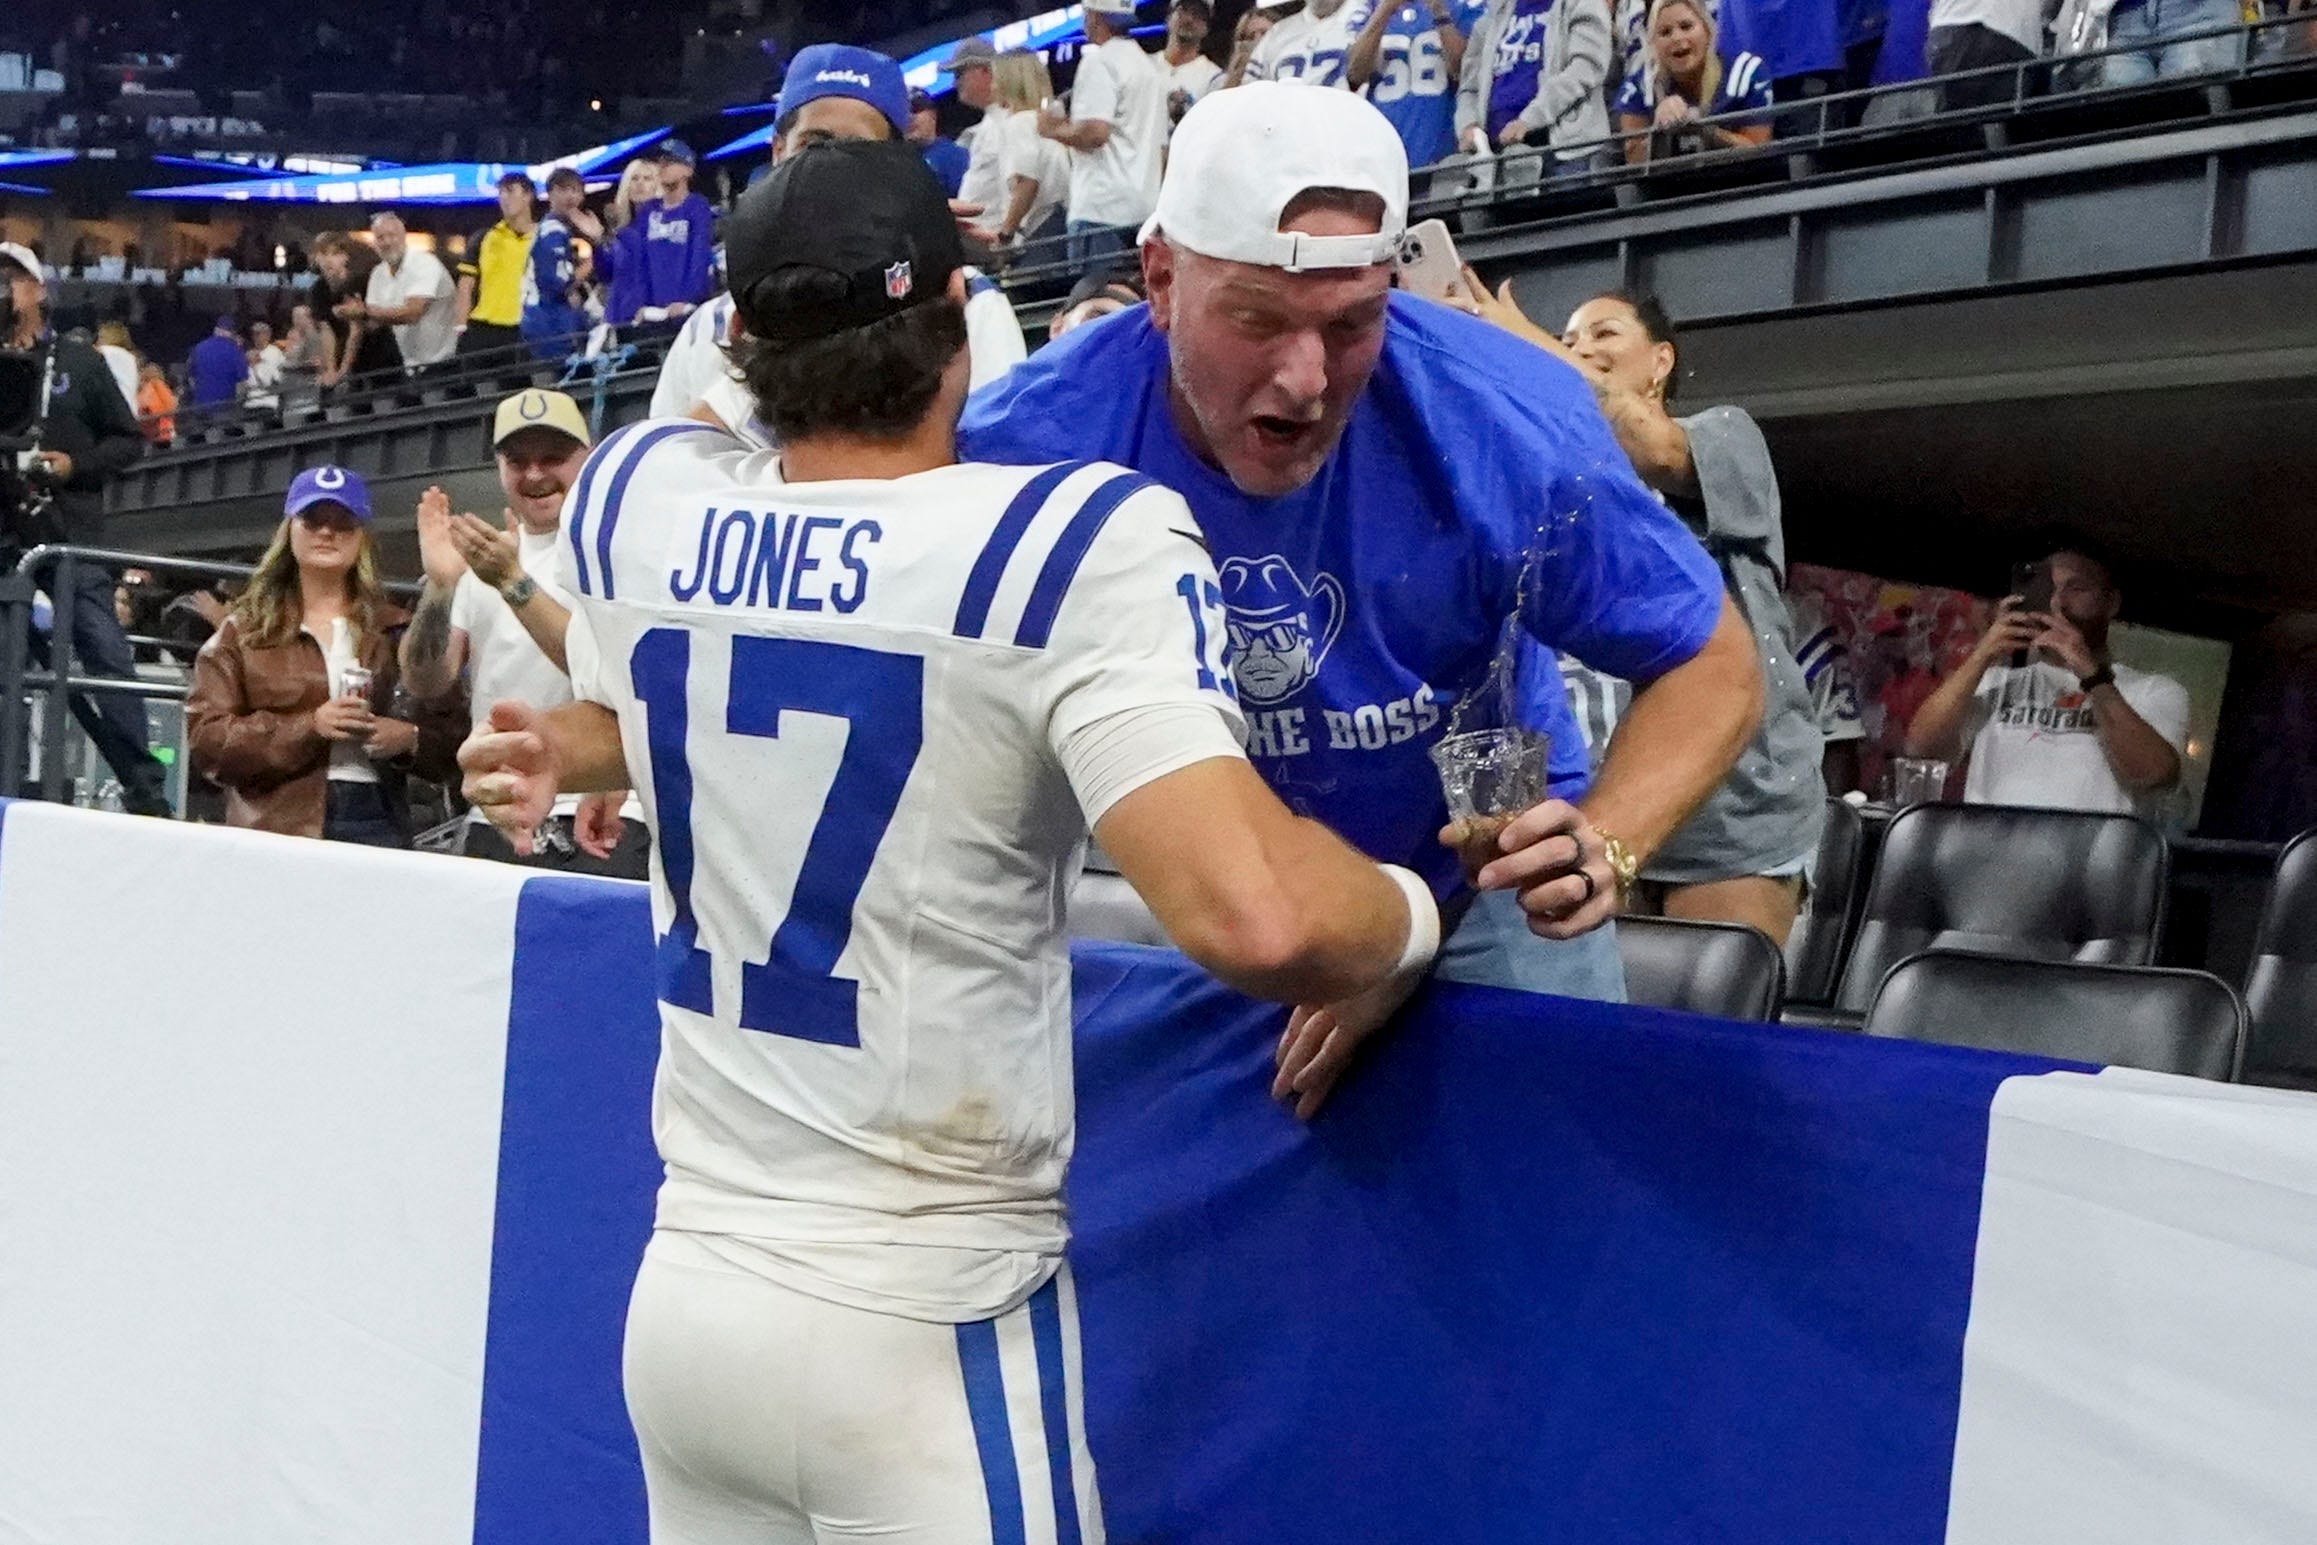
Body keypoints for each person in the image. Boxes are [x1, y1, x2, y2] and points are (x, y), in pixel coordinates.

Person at [458, 137, 1442, 1542]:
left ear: (734, 341)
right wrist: (1412, 914)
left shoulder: (636, 497)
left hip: (687, 1299)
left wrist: (580, 741)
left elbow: (736, 679)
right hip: (924, 1310)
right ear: (964, 320)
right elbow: (1258, 920)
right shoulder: (1067, 541)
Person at [962, 87, 1763, 1000]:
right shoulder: (1022, 448)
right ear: (1159, 279)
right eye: (1257, 318)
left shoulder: (1507, 422)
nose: (1305, 380)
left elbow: (1713, 658)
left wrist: (1604, 843)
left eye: (1351, 323)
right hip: (1214, 873)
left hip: (1480, 883)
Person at [1531, 291, 1823, 945]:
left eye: (1602, 332)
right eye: (1566, 336)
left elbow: (1658, 450)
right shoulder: (1561, 478)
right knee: (1608, 1036)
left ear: (1660, 360)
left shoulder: (1724, 437)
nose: (1578, 347)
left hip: (1734, 812)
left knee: (1714, 1032)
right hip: (1600, 804)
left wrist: (1521, 339)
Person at [650, 44, 1028, 433]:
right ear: (778, 152)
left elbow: (997, 460)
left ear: (896, 162)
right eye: (815, 144)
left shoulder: (966, 303)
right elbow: (663, 476)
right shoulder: (706, 330)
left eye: (858, 147)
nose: (833, 163)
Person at [400, 389, 646, 877]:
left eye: (553, 457)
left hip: (605, 814)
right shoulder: (482, 558)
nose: (535, 474)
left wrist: (512, 582)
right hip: (499, 810)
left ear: (588, 458)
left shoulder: (626, 547)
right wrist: (442, 590)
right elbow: (426, 683)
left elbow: (614, 676)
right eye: (518, 460)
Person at [0, 241, 173, 817]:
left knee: (106, 655)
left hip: (68, 530)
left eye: (14, 279)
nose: (5, 289)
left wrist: (76, 467)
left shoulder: (77, 362)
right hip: (4, 537)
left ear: (39, 290)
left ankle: (144, 787)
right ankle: (8, 784)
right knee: (10, 666)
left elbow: (128, 439)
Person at [185, 466, 434, 846]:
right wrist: (310, 726)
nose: (327, 532)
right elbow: (207, 740)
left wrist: (410, 738)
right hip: (276, 819)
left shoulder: (395, 628)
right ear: (291, 530)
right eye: (312, 520)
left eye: (344, 522)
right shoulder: (243, 632)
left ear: (362, 537)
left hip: (377, 813)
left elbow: (449, 728)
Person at [1903, 541, 2189, 815]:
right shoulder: (1997, 682)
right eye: (2048, 588)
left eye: (2076, 588)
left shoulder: (2152, 690)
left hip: (2091, 865)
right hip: (1988, 860)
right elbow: (1920, 748)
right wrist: (1983, 655)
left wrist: (2089, 672)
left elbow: (2155, 775)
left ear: (2111, 603)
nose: (2058, 602)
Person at [1039, 0, 1168, 272]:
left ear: (1094, 17)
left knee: (1097, 305)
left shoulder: (1099, 60)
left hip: (1102, 209)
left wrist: (1051, 129)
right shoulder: (1148, 67)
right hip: (1144, 206)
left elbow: (1094, 133)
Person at [1456, 0, 1615, 172]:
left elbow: (1586, 68)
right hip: (1494, 156)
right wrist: (1468, 124)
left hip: (1566, 154)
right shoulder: (1491, 17)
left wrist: (1529, 120)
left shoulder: (1582, 4)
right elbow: (1469, 87)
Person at [1612, 0, 1773, 163]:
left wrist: (1705, 130)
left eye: (1686, 27)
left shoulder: (1747, 73)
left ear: (1708, 30)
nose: (1676, 38)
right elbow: (1634, 164)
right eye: (1665, 32)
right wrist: (1658, 131)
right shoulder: (1639, 87)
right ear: (1653, 44)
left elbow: (1758, 151)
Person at [1347, 0, 1487, 170]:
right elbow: (1355, 74)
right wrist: (1384, 11)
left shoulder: (1464, 5)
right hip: (1384, 149)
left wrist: (1440, 14)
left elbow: (1465, 71)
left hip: (1440, 146)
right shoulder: (1368, 8)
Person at [350, 212, 459, 373]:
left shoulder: (425, 263)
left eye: (392, 235)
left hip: (443, 363)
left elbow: (413, 313)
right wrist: (352, 314)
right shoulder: (378, 273)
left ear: (403, 237)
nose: (387, 242)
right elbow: (374, 322)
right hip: (408, 365)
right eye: (380, 237)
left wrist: (365, 312)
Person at [991, 49, 1074, 249]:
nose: (992, 87)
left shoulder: (1018, 124)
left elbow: (1027, 183)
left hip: (1045, 230)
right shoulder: (1054, 123)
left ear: (1008, 83)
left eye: (995, 79)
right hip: (1066, 223)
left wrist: (1005, 235)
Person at [457, 171, 538, 357]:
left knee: (522, 385)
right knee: (477, 384)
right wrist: (461, 326)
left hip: (524, 327)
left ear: (528, 196)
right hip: (482, 327)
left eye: (510, 191)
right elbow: (465, 285)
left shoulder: (543, 237)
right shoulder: (484, 238)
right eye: (501, 192)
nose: (504, 198)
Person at [636, 139, 716, 323]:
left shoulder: (696, 206)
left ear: (688, 170)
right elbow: (640, 262)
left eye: (670, 162)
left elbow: (699, 256)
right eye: (660, 162)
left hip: (688, 309)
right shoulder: (648, 210)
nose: (662, 166)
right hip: (653, 312)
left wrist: (688, 300)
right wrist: (640, 302)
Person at [309, 232, 402, 388]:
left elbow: (356, 331)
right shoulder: (317, 290)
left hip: (380, 353)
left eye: (336, 254)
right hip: (352, 360)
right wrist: (331, 370)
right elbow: (327, 331)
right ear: (316, 258)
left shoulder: (359, 282)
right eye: (323, 254)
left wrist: (343, 371)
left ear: (345, 257)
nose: (328, 260)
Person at [521, 168, 593, 361]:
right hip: (549, 322)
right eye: (563, 189)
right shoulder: (553, 230)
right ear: (550, 193)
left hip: (545, 318)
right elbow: (556, 283)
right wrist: (588, 266)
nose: (570, 196)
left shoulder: (555, 228)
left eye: (576, 190)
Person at [942, 36, 1007, 232]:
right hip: (983, 243)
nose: (955, 84)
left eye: (960, 73)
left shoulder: (1008, 121)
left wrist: (1008, 233)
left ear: (985, 70)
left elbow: (1021, 183)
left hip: (1005, 242)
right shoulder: (988, 124)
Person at [1161, 0, 1227, 123]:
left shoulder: (1215, 79)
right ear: (1169, 17)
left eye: (1198, 15)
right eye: (1183, 10)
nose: (1189, 19)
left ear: (1207, 28)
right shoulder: (1143, 63)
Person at [906, 88, 970, 197]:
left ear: (933, 115)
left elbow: (968, 201)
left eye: (916, 110)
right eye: (903, 112)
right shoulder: (894, 159)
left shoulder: (954, 156)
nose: (910, 117)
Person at [185, 316, 247, 409]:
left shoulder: (199, 347)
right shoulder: (235, 350)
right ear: (232, 332)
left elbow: (190, 376)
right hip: (224, 406)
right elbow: (242, 381)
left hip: (200, 406)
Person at [94, 319, 139, 408]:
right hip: (128, 409)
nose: (97, 341)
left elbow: (86, 351)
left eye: (101, 337)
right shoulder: (129, 357)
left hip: (116, 409)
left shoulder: (112, 351)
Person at [135, 359, 177, 445]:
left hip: (155, 432)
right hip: (162, 431)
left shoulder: (144, 390)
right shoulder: (157, 386)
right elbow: (170, 406)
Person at [245, 320, 286, 410]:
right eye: (254, 334)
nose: (255, 337)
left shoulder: (273, 352)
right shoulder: (250, 353)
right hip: (251, 402)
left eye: (258, 334)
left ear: (267, 335)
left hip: (267, 402)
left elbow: (267, 381)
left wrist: (254, 365)